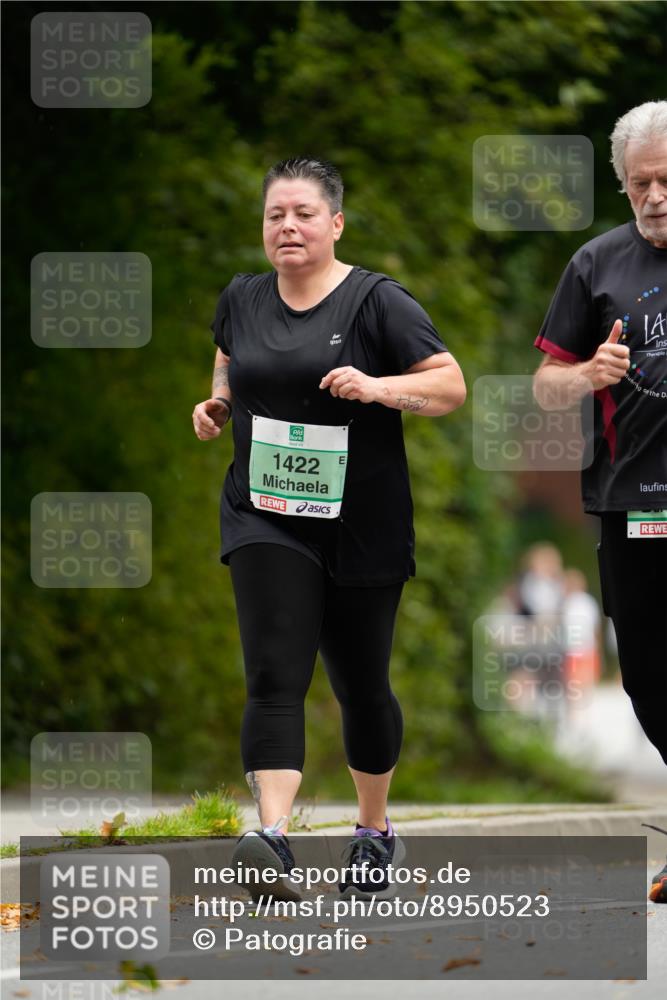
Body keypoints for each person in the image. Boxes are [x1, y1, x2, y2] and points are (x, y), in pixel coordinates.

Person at [193, 157, 466, 901]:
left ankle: (373, 829)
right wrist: (219, 402)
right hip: (264, 512)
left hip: (362, 524)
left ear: (335, 223)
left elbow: (448, 385)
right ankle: (272, 838)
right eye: (275, 214)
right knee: (273, 671)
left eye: (304, 214)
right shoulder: (242, 298)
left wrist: (379, 387)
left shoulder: (378, 301)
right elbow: (228, 356)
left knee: (361, 684)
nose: (287, 226)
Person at [532, 101, 667, 903]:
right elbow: (545, 385)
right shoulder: (594, 265)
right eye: (639, 182)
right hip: (633, 502)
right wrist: (587, 374)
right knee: (647, 674)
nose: (655, 196)